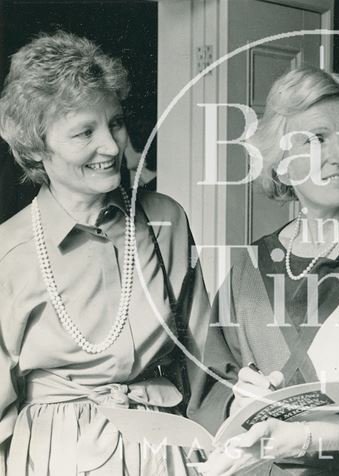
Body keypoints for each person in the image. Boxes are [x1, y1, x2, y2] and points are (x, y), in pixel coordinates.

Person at [188, 66, 339, 475]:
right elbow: (213, 383)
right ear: (281, 163)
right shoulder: (250, 263)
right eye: (317, 139)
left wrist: (300, 436)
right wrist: (240, 401)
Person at [0, 31, 210, 475]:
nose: (113, 147)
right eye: (84, 132)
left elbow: (203, 353)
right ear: (38, 147)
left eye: (115, 122)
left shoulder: (165, 220)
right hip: (57, 457)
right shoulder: (9, 252)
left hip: (167, 452)